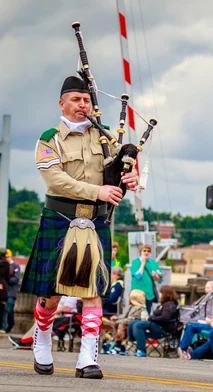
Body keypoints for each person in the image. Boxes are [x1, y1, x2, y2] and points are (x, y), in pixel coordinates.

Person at [19, 75, 136, 379]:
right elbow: (55, 180)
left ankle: (87, 356)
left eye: (86, 100)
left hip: (96, 220)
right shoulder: (49, 139)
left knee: (93, 288)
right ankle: (42, 336)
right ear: (62, 103)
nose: (82, 105)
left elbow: (118, 174)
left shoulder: (107, 138)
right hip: (60, 217)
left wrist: (130, 180)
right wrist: (96, 192)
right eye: (75, 100)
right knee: (51, 294)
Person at [129, 285, 179, 357]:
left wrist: (151, 318)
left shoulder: (170, 305)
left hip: (163, 329)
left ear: (165, 294)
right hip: (155, 325)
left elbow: (165, 318)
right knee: (132, 323)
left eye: (160, 293)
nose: (159, 294)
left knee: (138, 325)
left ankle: (142, 350)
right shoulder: (163, 304)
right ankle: (132, 348)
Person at [108, 289, 148, 355]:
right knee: (118, 323)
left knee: (121, 324)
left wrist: (118, 321)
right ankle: (117, 345)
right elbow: (125, 317)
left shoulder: (140, 309)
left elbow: (131, 319)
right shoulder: (131, 307)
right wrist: (117, 318)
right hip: (128, 326)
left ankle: (118, 347)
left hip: (134, 328)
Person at [130, 244, 163, 314]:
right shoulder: (135, 262)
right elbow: (138, 276)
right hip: (138, 294)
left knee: (146, 314)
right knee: (136, 313)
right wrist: (143, 264)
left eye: (148, 251)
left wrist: (155, 276)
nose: (146, 252)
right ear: (140, 252)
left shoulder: (153, 263)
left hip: (149, 294)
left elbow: (160, 280)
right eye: (144, 250)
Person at [1, 249, 19, 334]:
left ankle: (10, 325)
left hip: (11, 293)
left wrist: (4, 280)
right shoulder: (4, 265)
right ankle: (3, 328)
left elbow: (16, 279)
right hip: (3, 292)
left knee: (9, 309)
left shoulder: (16, 266)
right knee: (3, 310)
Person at [0, 249, 10, 334]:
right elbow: (8, 277)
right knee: (2, 309)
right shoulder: (6, 264)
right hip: (3, 290)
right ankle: (2, 327)